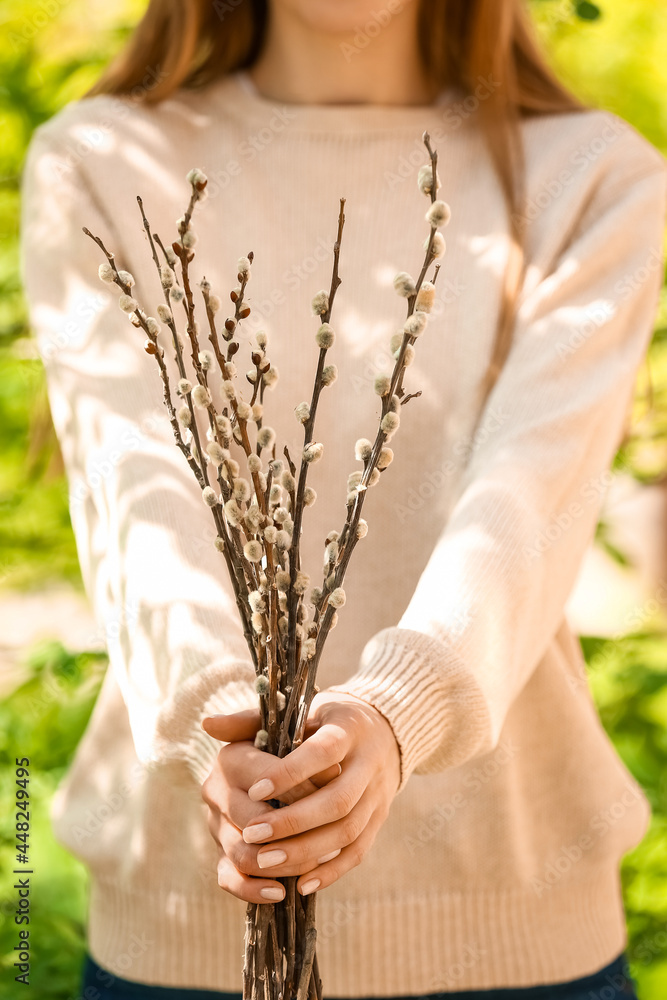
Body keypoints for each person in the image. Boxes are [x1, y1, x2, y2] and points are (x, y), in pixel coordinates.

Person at [20, 0, 667, 997]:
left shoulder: (589, 177)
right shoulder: (106, 163)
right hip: (188, 940)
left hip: (519, 944)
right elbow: (132, 494)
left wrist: (395, 717)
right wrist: (222, 718)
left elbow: (529, 503)